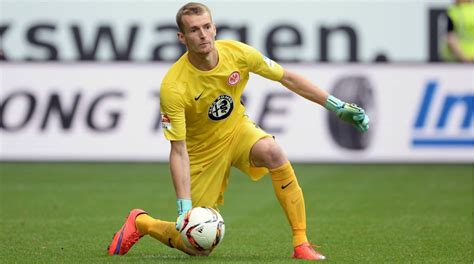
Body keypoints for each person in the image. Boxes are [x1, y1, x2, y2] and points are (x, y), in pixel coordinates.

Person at [107, 2, 369, 261]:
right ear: (182, 37)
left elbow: (286, 77)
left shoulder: (237, 53)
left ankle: (301, 243)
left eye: (207, 27)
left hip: (236, 130)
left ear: (214, 28)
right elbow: (178, 150)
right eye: (194, 30)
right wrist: (184, 207)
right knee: (196, 245)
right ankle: (142, 222)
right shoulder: (174, 86)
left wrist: (336, 105)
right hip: (202, 153)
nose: (203, 34)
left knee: (272, 151)